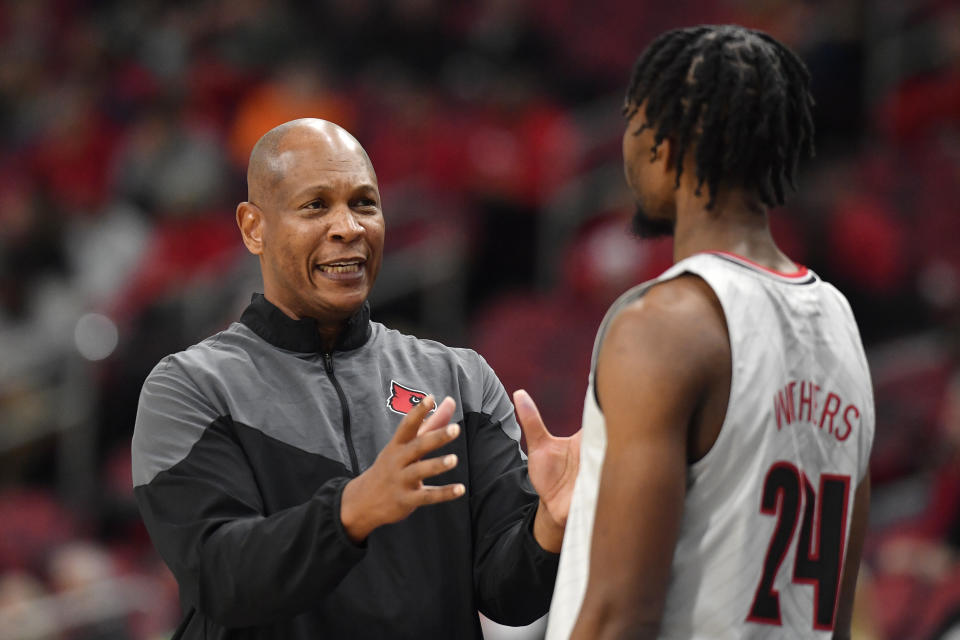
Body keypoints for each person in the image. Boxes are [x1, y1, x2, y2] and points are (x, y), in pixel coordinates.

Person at [131, 118, 580, 639]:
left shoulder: (460, 379)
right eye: (315, 205)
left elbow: (507, 595)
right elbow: (222, 578)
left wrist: (550, 524)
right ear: (254, 227)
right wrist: (352, 510)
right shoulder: (190, 390)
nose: (349, 227)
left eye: (364, 203)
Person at [538, 25, 874, 639]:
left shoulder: (663, 326)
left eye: (633, 122)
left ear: (669, 144)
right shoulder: (842, 324)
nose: (627, 148)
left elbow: (619, 617)